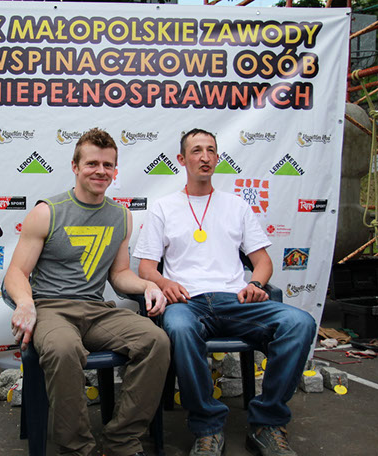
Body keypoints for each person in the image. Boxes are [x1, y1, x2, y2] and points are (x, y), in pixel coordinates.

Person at [133, 129, 316, 456]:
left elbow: (262, 262)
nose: (204, 157)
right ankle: (208, 427)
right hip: (187, 303)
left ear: (217, 158)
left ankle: (267, 423)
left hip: (236, 300)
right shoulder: (163, 208)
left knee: (300, 323)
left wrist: (255, 284)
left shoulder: (237, 206)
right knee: (179, 327)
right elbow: (146, 268)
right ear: (182, 159)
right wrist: (164, 282)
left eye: (211, 151)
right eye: (196, 150)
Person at [5, 128, 170, 456]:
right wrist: (24, 302)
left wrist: (149, 284)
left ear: (115, 170)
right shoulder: (47, 212)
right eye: (92, 163)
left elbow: (119, 275)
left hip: (96, 310)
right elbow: (16, 272)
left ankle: (122, 439)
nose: (100, 171)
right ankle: (77, 448)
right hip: (51, 309)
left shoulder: (121, 216)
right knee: (63, 349)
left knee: (156, 341)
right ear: (75, 166)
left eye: (108, 165)